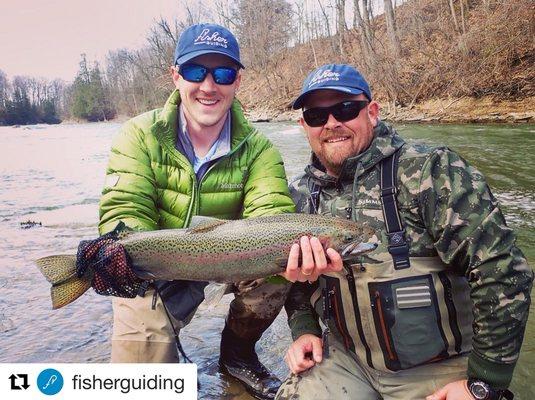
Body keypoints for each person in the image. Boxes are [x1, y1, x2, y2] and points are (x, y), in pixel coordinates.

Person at [276, 64, 533, 400]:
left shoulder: (431, 170)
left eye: (345, 109)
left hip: (440, 369)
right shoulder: (298, 195)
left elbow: (502, 271)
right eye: (316, 116)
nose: (332, 123)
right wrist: (304, 330)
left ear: (372, 112)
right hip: (346, 362)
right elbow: (291, 281)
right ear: (303, 126)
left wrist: (484, 382)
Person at [98, 23, 297, 400]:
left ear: (237, 81)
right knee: (143, 385)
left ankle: (236, 355)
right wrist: (125, 253)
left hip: (231, 259)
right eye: (195, 71)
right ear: (175, 76)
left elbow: (271, 215)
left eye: (222, 73)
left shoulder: (260, 150)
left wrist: (290, 253)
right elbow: (125, 208)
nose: (208, 86)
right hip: (157, 269)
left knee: (279, 269)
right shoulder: (139, 135)